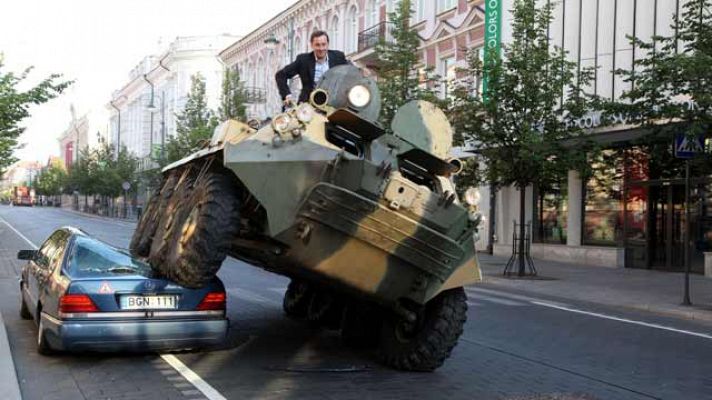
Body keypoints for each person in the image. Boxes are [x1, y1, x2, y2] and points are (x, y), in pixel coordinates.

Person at [275, 30, 349, 106]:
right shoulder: (303, 60)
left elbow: (351, 72)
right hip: (309, 105)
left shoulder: (338, 57)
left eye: (324, 44)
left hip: (334, 104)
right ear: (312, 45)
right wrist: (287, 95)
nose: (321, 48)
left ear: (328, 44)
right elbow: (280, 75)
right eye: (317, 45)